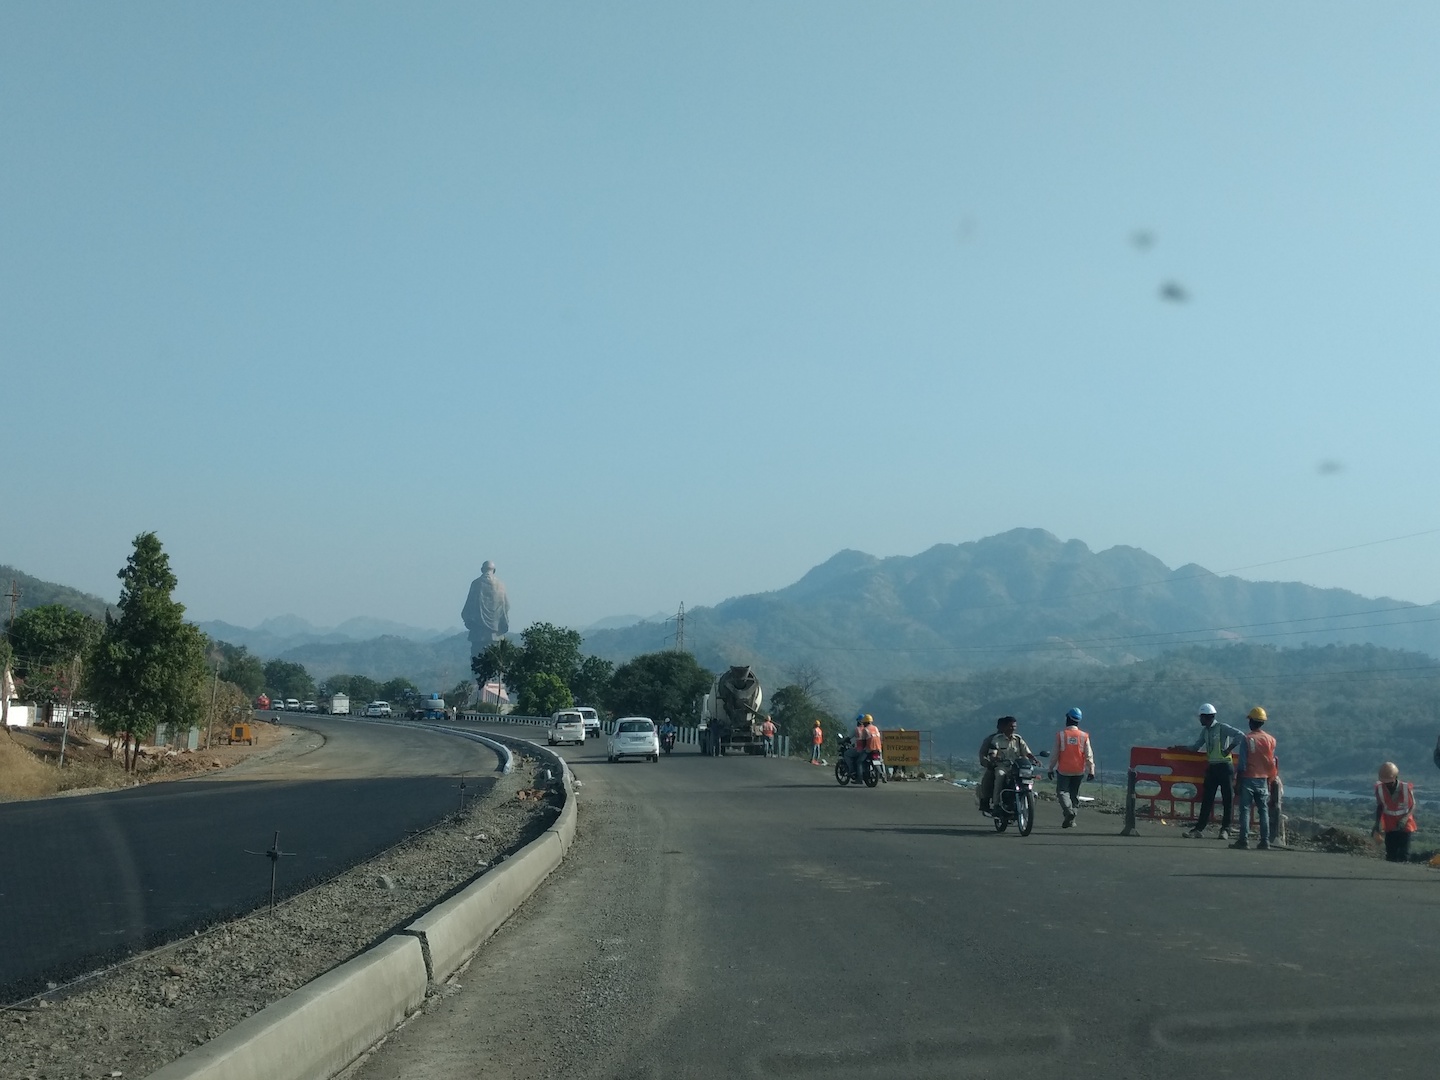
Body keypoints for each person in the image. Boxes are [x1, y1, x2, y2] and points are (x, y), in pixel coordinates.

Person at [1180, 704, 1245, 839]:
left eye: (1201, 717)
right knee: (1207, 798)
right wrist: (1180, 748)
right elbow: (1195, 747)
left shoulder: (1222, 727)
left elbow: (1240, 735)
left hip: (1225, 766)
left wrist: (1229, 749)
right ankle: (1199, 828)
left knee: (1227, 799)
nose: (1200, 720)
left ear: (1206, 717)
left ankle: (1225, 829)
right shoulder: (1205, 732)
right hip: (1213, 767)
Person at [1230, 707, 1278, 850]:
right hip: (1263, 780)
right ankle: (1265, 841)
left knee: (1245, 810)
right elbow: (1271, 760)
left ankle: (1243, 840)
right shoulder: (1271, 740)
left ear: (1251, 721)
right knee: (1263, 810)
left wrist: (1237, 782)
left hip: (1248, 778)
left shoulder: (1247, 739)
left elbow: (1242, 763)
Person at [978, 716, 1039, 815]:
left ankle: (1028, 798)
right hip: (1002, 766)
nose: (1013, 728)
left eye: (1014, 726)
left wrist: (1034, 759)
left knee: (1028, 777)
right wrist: (991, 761)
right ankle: (996, 804)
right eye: (1010, 726)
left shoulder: (1018, 739)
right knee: (999, 776)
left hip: (1017, 767)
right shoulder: (995, 739)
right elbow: (987, 753)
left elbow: (1027, 752)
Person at [1049, 707, 1095, 828]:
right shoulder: (1084, 736)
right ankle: (1072, 819)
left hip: (1064, 770)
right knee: (1074, 795)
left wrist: (1050, 768)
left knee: (1062, 792)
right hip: (1079, 770)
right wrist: (1091, 770)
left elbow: (1055, 754)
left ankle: (1069, 812)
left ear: (1068, 718)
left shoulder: (1061, 735)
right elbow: (1088, 754)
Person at [1373, 762, 1417, 863]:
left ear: (1395, 778)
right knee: (1390, 853)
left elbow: (1413, 805)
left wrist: (1404, 819)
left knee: (1404, 853)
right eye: (1385, 783)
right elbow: (1380, 806)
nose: (1387, 785)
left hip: (1405, 825)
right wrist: (1377, 825)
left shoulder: (1406, 788)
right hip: (1390, 825)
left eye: (1389, 783)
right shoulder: (1379, 789)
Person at [846, 713, 868, 782]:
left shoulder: (857, 729)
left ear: (859, 721)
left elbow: (849, 737)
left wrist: (843, 740)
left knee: (846, 754)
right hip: (868, 749)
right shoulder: (868, 729)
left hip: (859, 749)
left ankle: (852, 770)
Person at [863, 715, 884, 782]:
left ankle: (861, 775)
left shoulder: (865, 729)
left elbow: (863, 741)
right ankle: (883, 774)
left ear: (866, 722)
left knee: (860, 760)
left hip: (870, 748)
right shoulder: (876, 728)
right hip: (878, 748)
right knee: (880, 761)